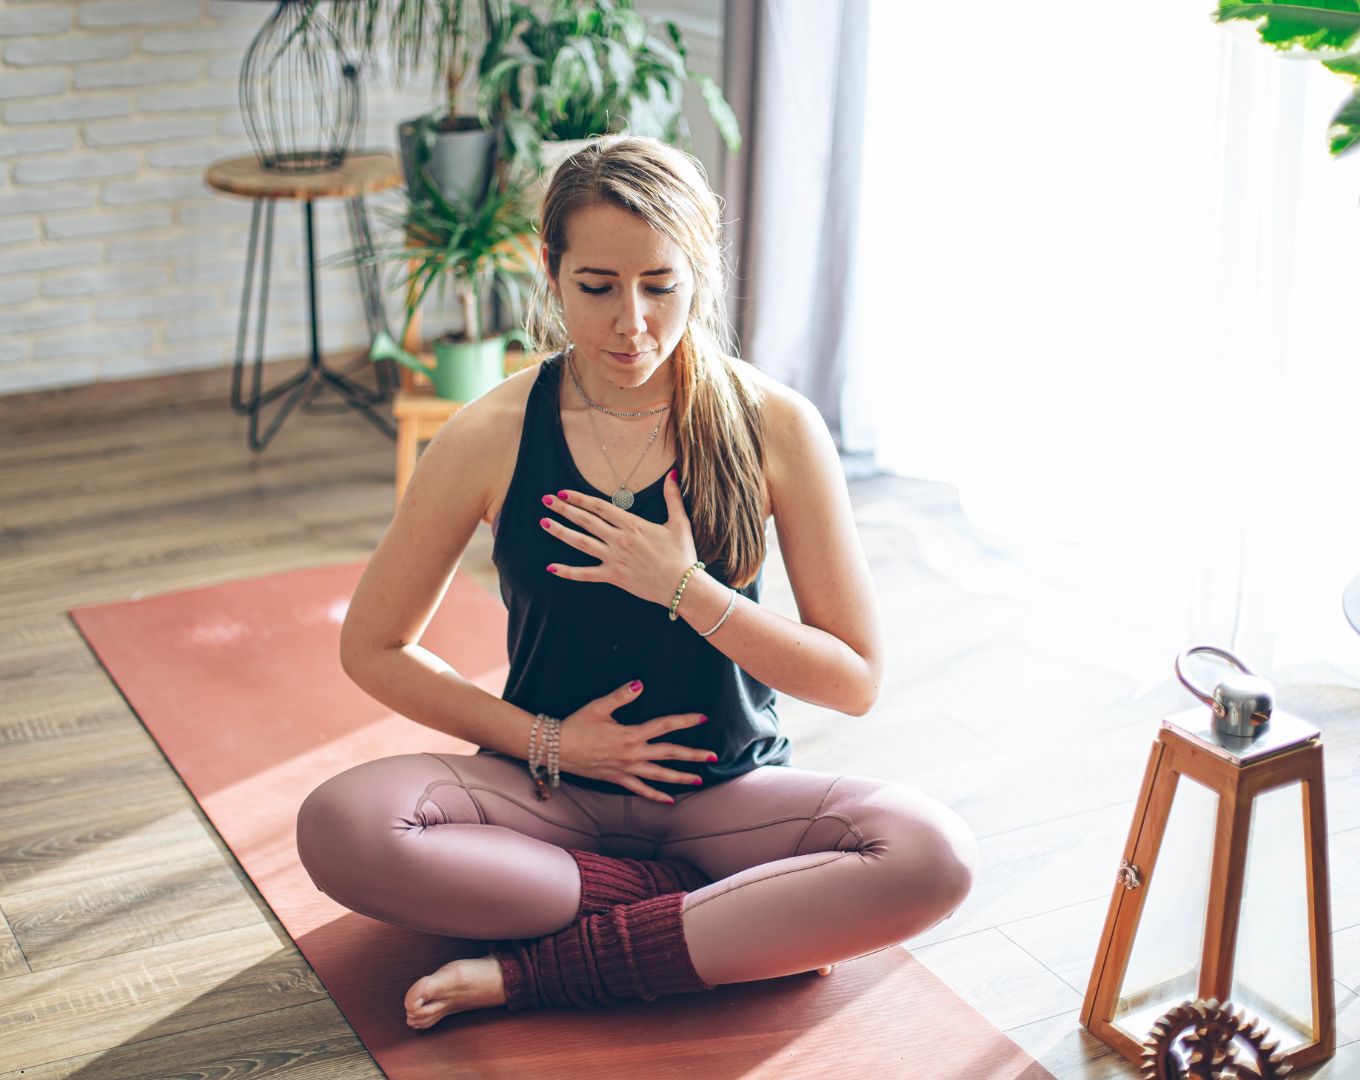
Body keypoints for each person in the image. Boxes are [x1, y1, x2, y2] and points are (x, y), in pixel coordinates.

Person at [296, 135, 978, 1031]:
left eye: (661, 285)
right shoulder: (491, 433)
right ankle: (704, 914)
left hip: (726, 798)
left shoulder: (778, 425)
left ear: (700, 274)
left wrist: (685, 586)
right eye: (598, 287)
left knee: (935, 855)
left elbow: (853, 679)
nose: (633, 323)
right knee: (340, 823)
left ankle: (543, 970)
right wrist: (550, 741)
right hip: (546, 796)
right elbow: (373, 646)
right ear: (551, 269)